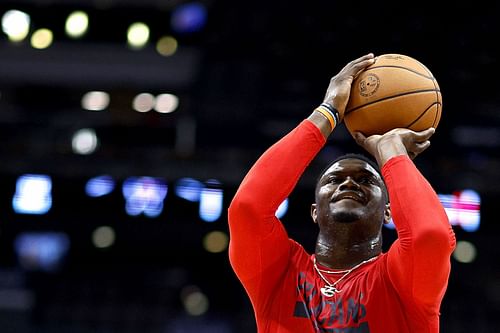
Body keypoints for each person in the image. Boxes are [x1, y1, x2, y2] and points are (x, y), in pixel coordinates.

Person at [228, 53, 456, 332]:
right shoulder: (279, 275)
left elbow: (430, 236)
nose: (349, 184)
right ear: (314, 210)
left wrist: (391, 152)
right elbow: (248, 208)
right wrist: (327, 112)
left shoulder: (400, 281)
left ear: (388, 210)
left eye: (365, 180)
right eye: (334, 179)